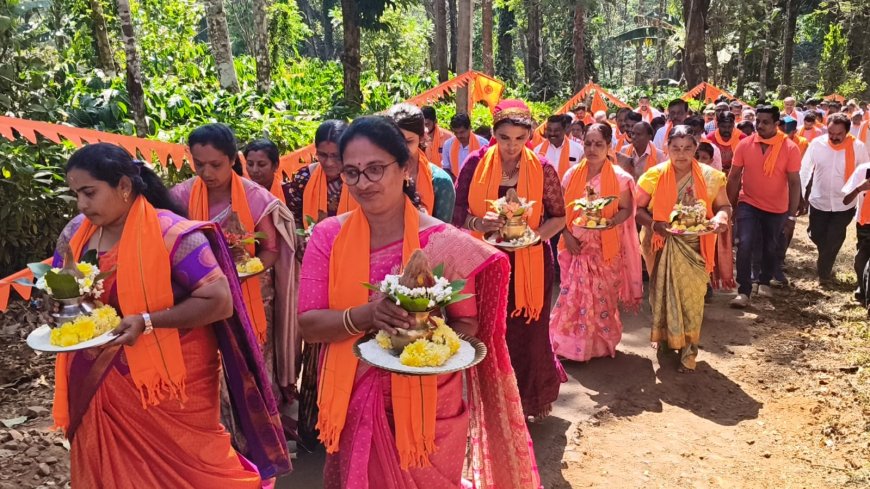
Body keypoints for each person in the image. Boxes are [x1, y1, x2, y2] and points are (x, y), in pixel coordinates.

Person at [298, 115, 541, 488]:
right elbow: (310, 324)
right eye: (352, 172)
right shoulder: (328, 237)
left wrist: (422, 343)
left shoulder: (443, 241)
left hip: (430, 402)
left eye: (375, 169)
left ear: (405, 167)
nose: (363, 183)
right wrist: (368, 315)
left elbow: (466, 324)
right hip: (353, 394)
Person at [55, 143, 290, 486]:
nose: (82, 205)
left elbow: (219, 300)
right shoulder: (76, 235)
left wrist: (149, 321)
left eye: (90, 193)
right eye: (76, 194)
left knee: (198, 471)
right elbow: (67, 291)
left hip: (171, 386)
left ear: (123, 186)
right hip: (99, 382)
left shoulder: (173, 234)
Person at [171, 123, 300, 437]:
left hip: (252, 296)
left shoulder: (255, 198)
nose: (207, 172)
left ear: (231, 159)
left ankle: (259, 434)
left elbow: (270, 250)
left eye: (215, 164)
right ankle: (221, 435)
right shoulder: (182, 195)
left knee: (253, 362)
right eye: (199, 164)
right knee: (211, 366)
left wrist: (241, 275)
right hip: (200, 297)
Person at [453, 99, 566, 419]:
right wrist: (479, 223)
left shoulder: (542, 167)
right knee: (491, 331)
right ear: (494, 134)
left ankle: (532, 398)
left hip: (530, 262)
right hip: (486, 260)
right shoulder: (475, 163)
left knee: (530, 331)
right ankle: (493, 404)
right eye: (505, 138)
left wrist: (534, 237)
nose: (512, 146)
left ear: (530, 136)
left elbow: (559, 216)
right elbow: (458, 213)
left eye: (520, 139)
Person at [636, 126, 731, 372]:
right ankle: (667, 341)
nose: (681, 154)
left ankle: (689, 350)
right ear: (666, 149)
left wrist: (720, 218)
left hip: (696, 245)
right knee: (661, 293)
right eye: (675, 148)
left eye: (687, 148)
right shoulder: (653, 176)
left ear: (696, 148)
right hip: (660, 243)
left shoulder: (711, 177)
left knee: (692, 300)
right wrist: (656, 225)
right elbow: (638, 210)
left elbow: (724, 206)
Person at [550, 123, 642, 362]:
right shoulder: (572, 175)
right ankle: (571, 347)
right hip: (575, 246)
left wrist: (609, 223)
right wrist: (567, 237)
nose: (592, 149)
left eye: (598, 144)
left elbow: (625, 210)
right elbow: (559, 212)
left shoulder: (620, 178)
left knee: (602, 297)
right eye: (588, 143)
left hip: (605, 248)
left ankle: (599, 346)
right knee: (573, 296)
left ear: (608, 146)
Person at [727, 106, 802, 307]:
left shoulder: (790, 148)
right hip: (748, 202)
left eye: (765, 122)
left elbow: (794, 182)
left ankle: (764, 279)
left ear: (777, 124)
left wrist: (791, 216)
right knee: (744, 243)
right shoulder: (745, 144)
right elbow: (734, 177)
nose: (759, 125)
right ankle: (744, 290)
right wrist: (728, 207)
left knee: (771, 246)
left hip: (777, 207)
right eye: (757, 121)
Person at [800, 113, 870, 285]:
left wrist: (861, 201)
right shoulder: (817, 144)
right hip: (818, 200)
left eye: (839, 134)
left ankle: (824, 272)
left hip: (844, 203)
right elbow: (805, 169)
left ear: (847, 132)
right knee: (816, 234)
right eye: (831, 133)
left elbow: (864, 174)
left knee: (834, 238)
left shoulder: (858, 147)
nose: (834, 137)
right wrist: (801, 196)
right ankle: (825, 255)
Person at [387, 103, 456, 222]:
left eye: (408, 141)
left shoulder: (439, 182)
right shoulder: (372, 175)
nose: (401, 148)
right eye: (394, 140)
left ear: (421, 138)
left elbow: (442, 234)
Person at [284, 120, 356, 232]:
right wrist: (301, 236)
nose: (329, 163)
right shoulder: (304, 178)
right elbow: (294, 215)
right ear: (316, 151)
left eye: (336, 156)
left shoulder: (359, 179)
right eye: (323, 155)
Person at [842, 159, 870, 306]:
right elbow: (846, 200)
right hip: (864, 224)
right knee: (861, 261)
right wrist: (860, 188)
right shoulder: (863, 169)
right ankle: (863, 288)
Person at [536, 114, 584, 179]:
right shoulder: (537, 150)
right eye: (549, 130)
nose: (552, 133)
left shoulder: (578, 150)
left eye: (556, 130)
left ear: (564, 130)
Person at [441, 113, 489, 178]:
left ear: (469, 128)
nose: (459, 136)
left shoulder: (483, 144)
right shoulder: (448, 145)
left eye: (462, 132)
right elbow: (446, 168)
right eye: (456, 132)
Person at [243, 139, 286, 204]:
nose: (255, 170)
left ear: (275, 166)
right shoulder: (241, 192)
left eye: (261, 165)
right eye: (250, 164)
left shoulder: (289, 194)